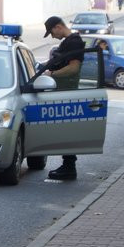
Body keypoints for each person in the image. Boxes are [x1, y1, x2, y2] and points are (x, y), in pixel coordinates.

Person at [42, 15, 86, 180]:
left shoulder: (73, 42)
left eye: (51, 32)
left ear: (58, 27)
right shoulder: (69, 42)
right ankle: (68, 166)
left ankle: (69, 167)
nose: (52, 36)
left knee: (66, 131)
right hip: (64, 91)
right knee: (65, 130)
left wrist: (52, 73)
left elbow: (73, 68)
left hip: (67, 92)